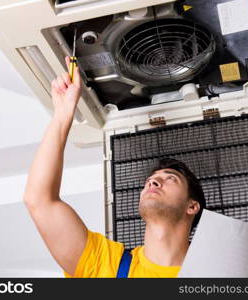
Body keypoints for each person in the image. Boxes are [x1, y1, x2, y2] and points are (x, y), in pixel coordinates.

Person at [23, 57, 206, 278]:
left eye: (171, 179)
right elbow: (40, 200)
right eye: (150, 180)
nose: (153, 182)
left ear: (192, 206)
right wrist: (62, 114)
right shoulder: (106, 265)